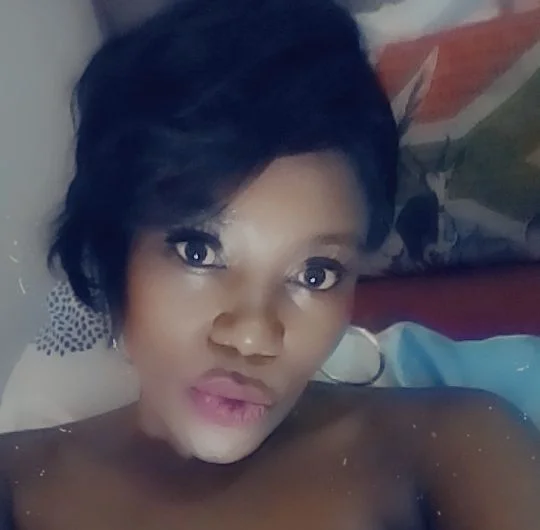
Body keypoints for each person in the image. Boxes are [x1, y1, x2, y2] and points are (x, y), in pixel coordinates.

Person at [1, 0, 539, 528]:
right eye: (198, 253)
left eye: (315, 274)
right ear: (114, 251)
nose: (254, 337)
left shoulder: (447, 444)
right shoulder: (15, 482)